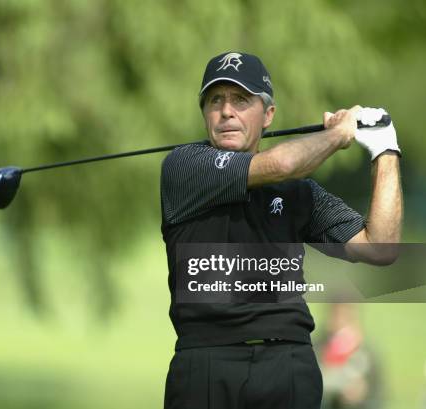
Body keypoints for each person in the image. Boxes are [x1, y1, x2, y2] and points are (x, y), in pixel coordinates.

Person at [160, 51, 402, 409]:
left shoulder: (298, 192)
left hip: (287, 365)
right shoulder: (184, 167)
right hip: (206, 364)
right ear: (205, 114)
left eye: (241, 100)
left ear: (268, 114)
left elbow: (380, 247)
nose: (227, 111)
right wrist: (338, 134)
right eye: (216, 100)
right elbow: (284, 163)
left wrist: (385, 149)